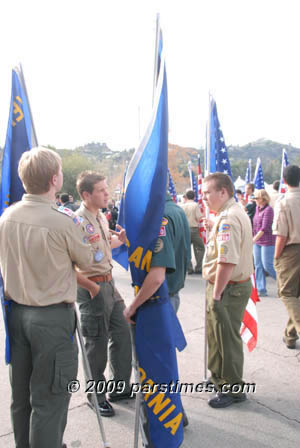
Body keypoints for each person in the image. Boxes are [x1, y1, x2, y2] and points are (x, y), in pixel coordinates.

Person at [0, 147, 95, 448]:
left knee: (22, 398)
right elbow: (88, 261)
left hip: (18, 314)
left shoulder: (8, 216)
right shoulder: (63, 220)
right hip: (51, 317)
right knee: (50, 399)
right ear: (55, 179)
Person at [75, 171, 132, 417]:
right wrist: (93, 288)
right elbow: (67, 265)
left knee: (122, 334)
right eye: (101, 190)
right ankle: (95, 396)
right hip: (93, 288)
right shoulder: (76, 222)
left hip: (109, 284)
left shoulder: (100, 217)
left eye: (106, 189)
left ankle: (119, 387)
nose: (107, 194)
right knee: (96, 346)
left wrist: (121, 240)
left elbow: (104, 245)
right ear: (86, 194)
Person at [202, 172, 253, 408]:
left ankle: (233, 388)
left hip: (228, 287)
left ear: (223, 192)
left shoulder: (229, 219)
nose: (204, 198)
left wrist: (216, 292)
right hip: (227, 285)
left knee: (226, 340)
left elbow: (227, 261)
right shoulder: (228, 214)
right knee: (216, 336)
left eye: (208, 193)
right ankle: (219, 379)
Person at [273, 165, 300, 350]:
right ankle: (290, 334)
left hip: (291, 250)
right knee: (296, 294)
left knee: (287, 292)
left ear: (284, 180)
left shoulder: (284, 202)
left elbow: (281, 234)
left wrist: (276, 256)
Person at [252, 189, 277, 296]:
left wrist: (253, 240)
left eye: (257, 198)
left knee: (268, 265)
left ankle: (285, 283)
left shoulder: (269, 210)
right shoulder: (258, 209)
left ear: (263, 198)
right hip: (258, 241)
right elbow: (255, 225)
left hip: (267, 241)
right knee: (258, 265)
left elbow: (264, 228)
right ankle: (261, 289)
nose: (255, 200)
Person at [181, 189, 204, 274]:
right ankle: (198, 267)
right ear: (194, 197)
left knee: (186, 249)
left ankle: (189, 268)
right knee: (200, 247)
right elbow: (198, 217)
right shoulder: (195, 205)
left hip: (185, 229)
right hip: (194, 229)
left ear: (186, 197)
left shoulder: (182, 206)